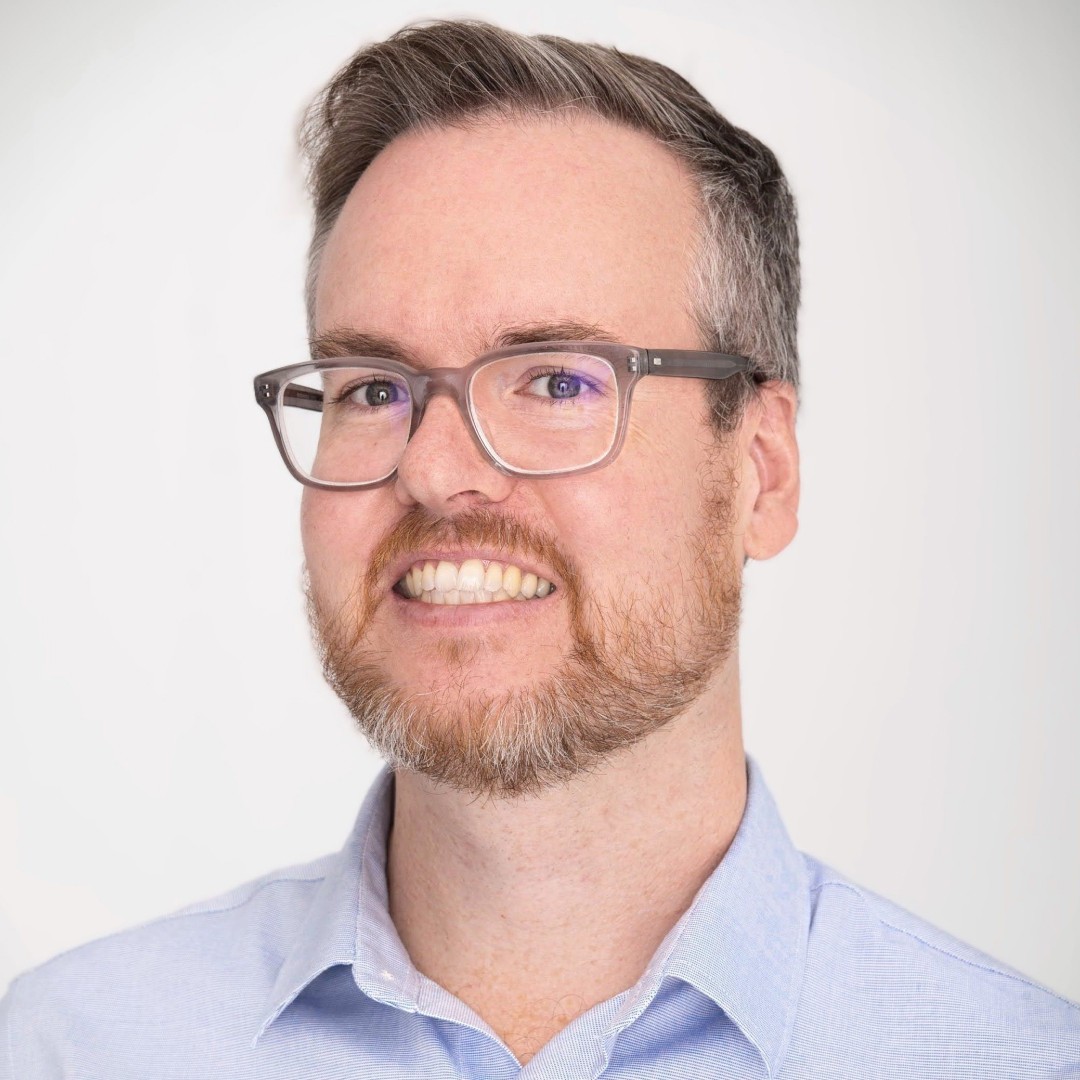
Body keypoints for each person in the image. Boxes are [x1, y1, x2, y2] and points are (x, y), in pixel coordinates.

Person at [2, 19, 1077, 1079]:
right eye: (372, 389)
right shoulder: (68, 1049)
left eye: (557, 381)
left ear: (763, 472)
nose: (433, 469)